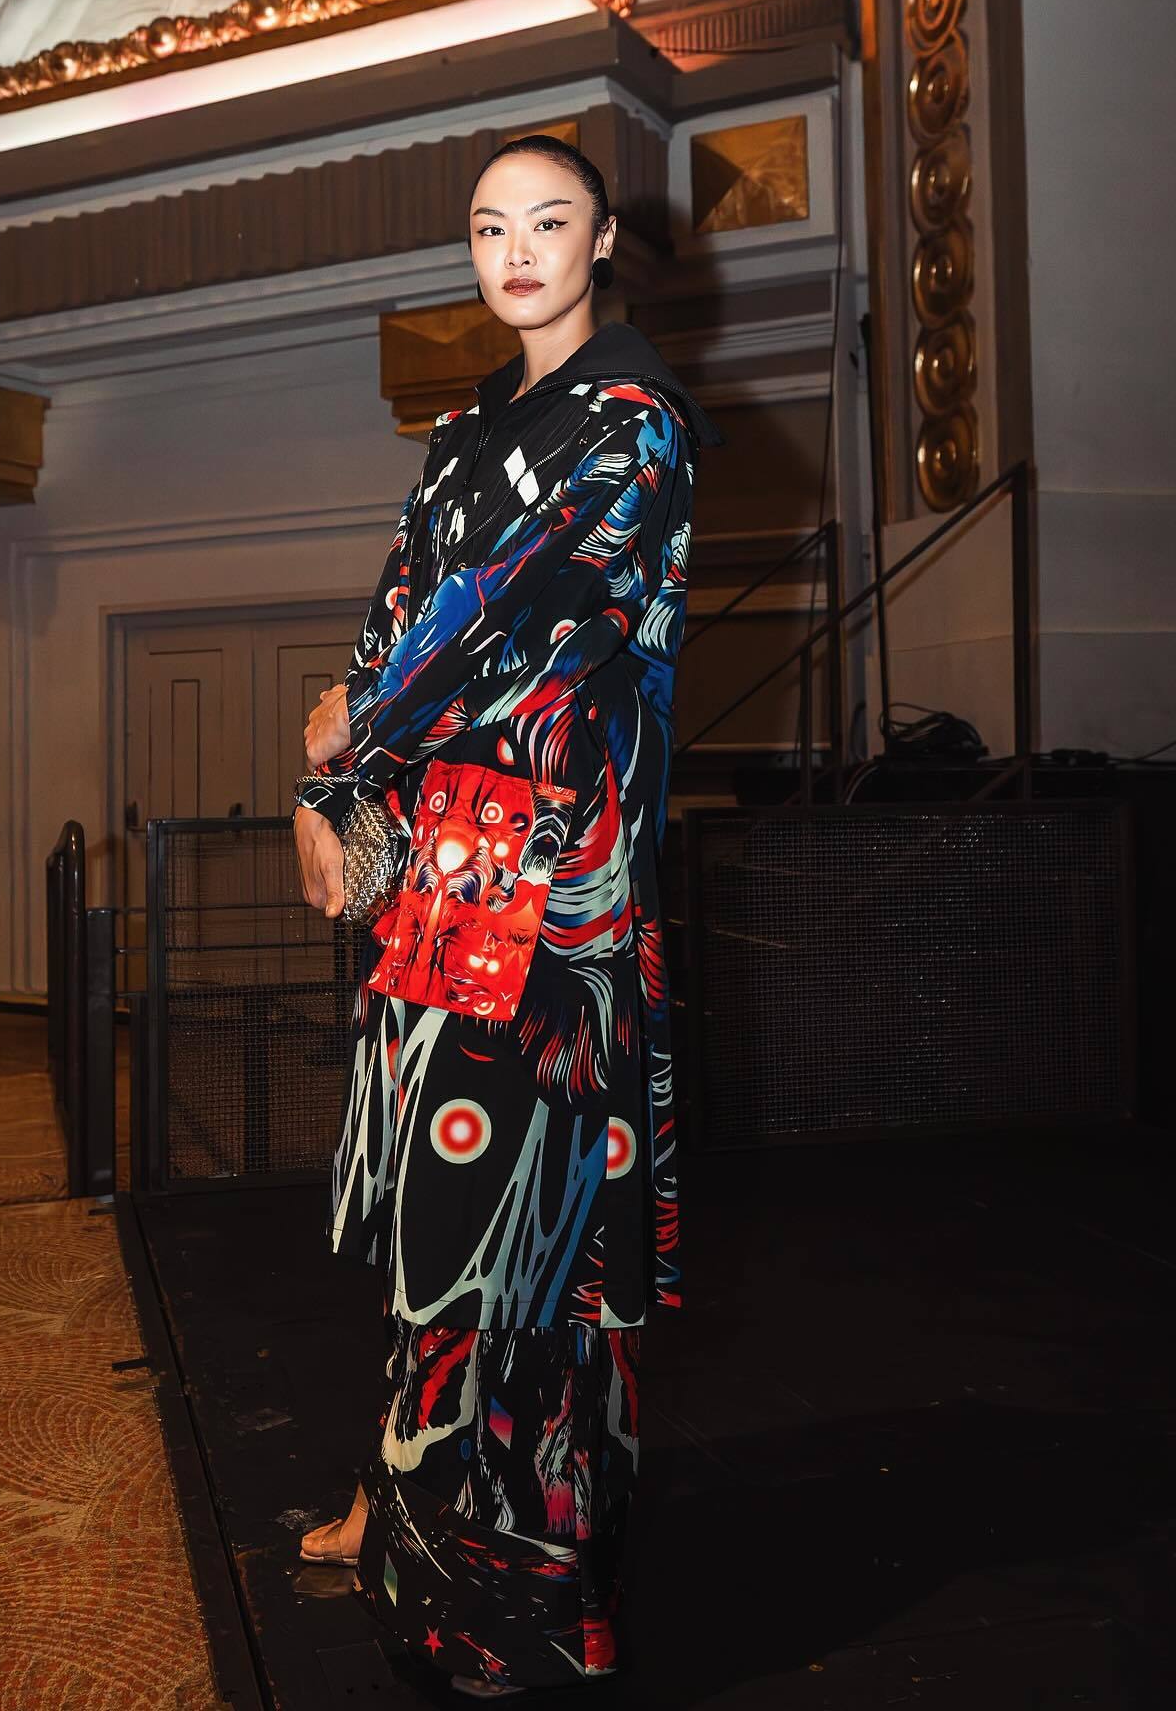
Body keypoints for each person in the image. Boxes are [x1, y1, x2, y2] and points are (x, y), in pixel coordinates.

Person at [291, 132, 721, 1698]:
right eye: (489, 228)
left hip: (554, 872)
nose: (518, 251)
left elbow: (509, 622)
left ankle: (528, 1588)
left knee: (531, 1244)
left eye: (549, 222)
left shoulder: (638, 423)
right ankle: (395, 1495)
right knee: (430, 1207)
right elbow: (399, 605)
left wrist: (349, 741)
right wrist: (333, 784)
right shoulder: (469, 423)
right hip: (450, 861)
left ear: (603, 239)